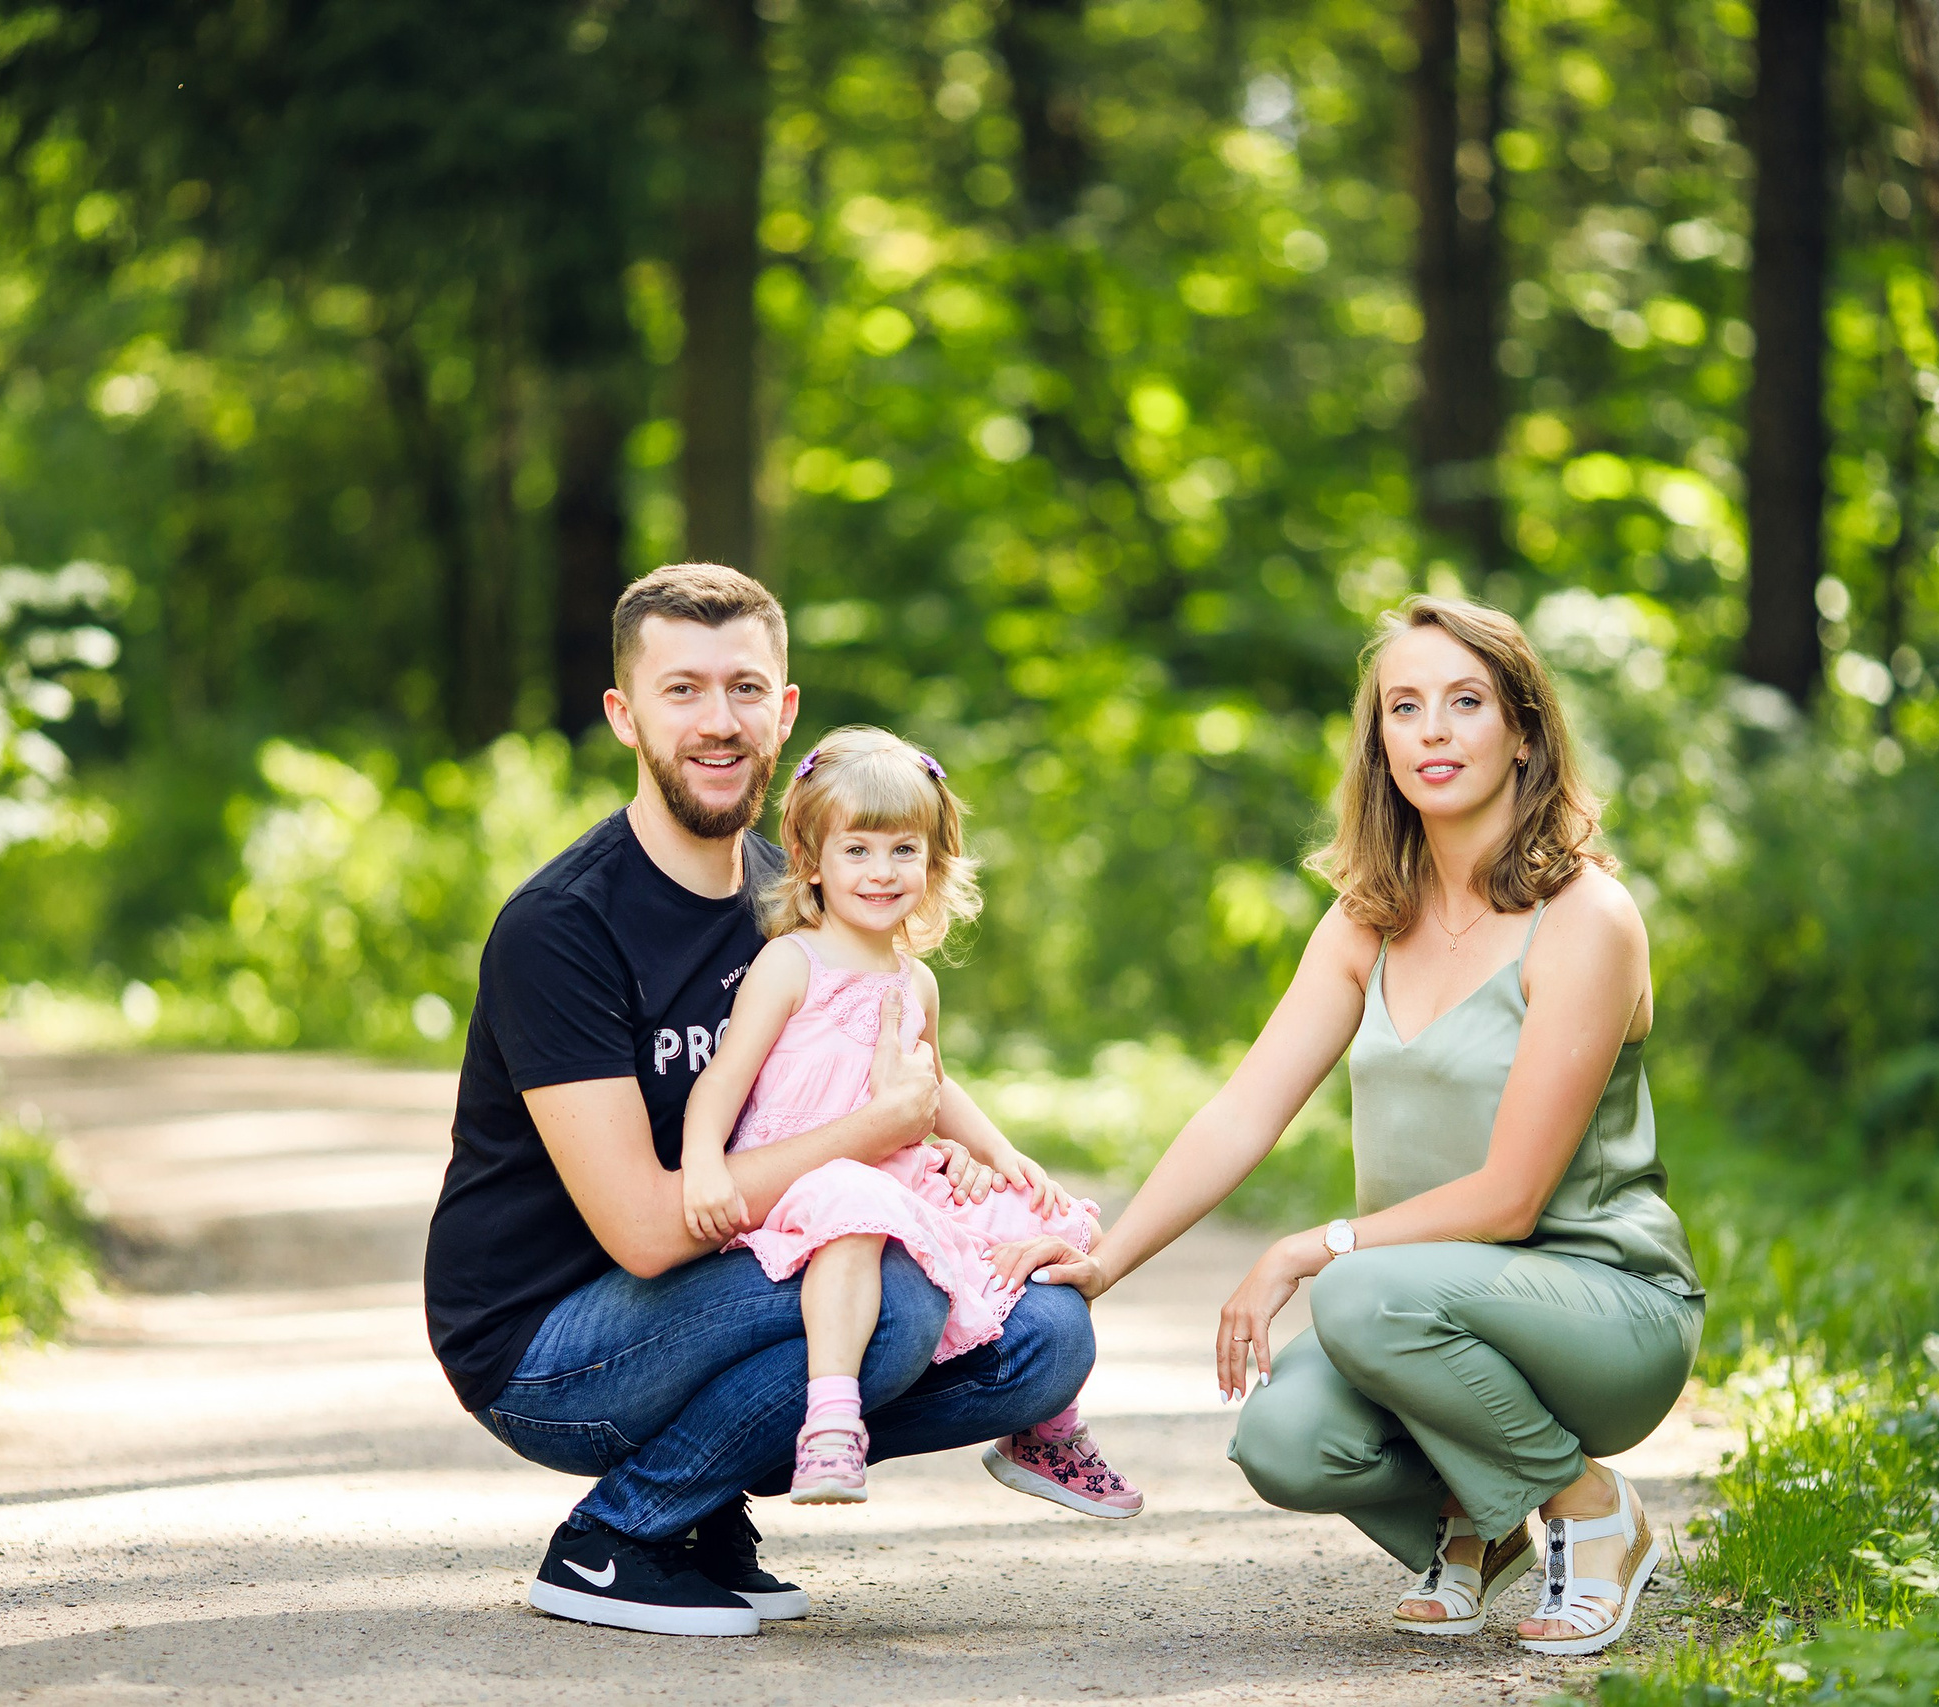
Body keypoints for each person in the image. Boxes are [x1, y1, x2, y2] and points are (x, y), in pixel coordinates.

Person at [991, 596, 1704, 1658]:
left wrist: (1304, 1250)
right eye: (1402, 707)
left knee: (1357, 1287)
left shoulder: (1585, 918)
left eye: (1464, 702)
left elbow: (1510, 1199)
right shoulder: (1370, 914)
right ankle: (1478, 1525)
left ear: (1521, 729)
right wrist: (1102, 1264)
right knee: (1284, 1441)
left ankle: (1594, 1511)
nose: (1431, 730)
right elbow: (1243, 1111)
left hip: (1602, 1308)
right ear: (1378, 744)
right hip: (1424, 1306)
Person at [423, 563, 1095, 1640]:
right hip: (551, 1341)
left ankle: (706, 1500)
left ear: (784, 711)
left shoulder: (803, 894)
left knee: (1047, 1334)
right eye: (680, 690)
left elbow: (903, 1067)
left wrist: (980, 1166)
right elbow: (648, 1232)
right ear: (623, 715)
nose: (717, 721)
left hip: (735, 1281)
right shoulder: (564, 928)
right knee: (896, 1286)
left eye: (744, 689)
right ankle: (619, 1536)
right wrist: (873, 1135)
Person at [678, 725, 1140, 1516]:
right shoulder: (792, 964)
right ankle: (830, 1419)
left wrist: (998, 1151)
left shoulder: (914, 979)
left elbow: (936, 1084)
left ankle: (1046, 1424)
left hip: (892, 1170)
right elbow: (722, 1080)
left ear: (933, 862)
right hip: (808, 1177)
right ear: (813, 858)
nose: (882, 871)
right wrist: (702, 1162)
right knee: (854, 1212)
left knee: (1045, 1216)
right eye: (857, 849)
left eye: (903, 850)